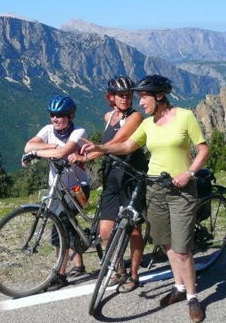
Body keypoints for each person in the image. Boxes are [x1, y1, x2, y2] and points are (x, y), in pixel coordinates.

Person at [81, 75, 209, 323]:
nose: (140, 102)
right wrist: (100, 148)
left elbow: (203, 149)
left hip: (181, 190)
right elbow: (127, 145)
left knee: (182, 249)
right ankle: (179, 288)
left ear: (159, 96)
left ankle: (193, 297)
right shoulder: (148, 124)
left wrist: (189, 173)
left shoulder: (184, 116)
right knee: (168, 244)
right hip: (155, 189)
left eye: (144, 96)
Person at [69, 75, 147, 293]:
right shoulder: (108, 116)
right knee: (105, 231)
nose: (126, 98)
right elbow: (106, 144)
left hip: (132, 176)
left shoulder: (135, 116)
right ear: (110, 97)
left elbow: (117, 143)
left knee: (133, 230)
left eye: (129, 94)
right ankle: (118, 270)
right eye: (121, 95)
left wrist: (88, 156)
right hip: (112, 176)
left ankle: (133, 275)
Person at [22, 95, 90, 290]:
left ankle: (60, 276)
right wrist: (49, 146)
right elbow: (28, 145)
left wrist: (36, 153)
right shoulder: (48, 130)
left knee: (61, 223)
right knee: (65, 224)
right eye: (53, 115)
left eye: (60, 116)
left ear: (71, 116)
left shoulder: (78, 132)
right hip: (57, 188)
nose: (55, 120)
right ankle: (78, 265)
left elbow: (61, 153)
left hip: (78, 188)